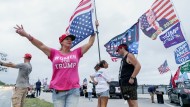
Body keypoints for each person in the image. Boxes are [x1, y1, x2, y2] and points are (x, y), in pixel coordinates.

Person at [14, 20, 98, 107]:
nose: (70, 41)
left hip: (73, 90)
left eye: (71, 39)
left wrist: (94, 31)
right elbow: (40, 45)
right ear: (61, 42)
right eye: (67, 39)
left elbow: (90, 43)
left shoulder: (76, 52)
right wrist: (26, 35)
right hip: (58, 92)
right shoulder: (54, 53)